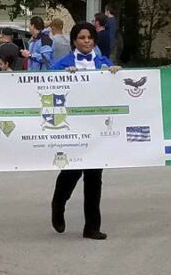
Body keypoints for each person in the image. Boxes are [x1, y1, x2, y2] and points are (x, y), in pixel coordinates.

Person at [49, 21, 121, 241]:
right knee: (71, 172)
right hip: (72, 126)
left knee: (94, 177)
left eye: (89, 38)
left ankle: (92, 226)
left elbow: (117, 88)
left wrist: (116, 73)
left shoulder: (102, 62)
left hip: (97, 127)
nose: (86, 41)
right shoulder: (62, 63)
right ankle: (58, 204)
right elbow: (45, 86)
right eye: (81, 38)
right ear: (74, 41)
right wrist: (61, 76)